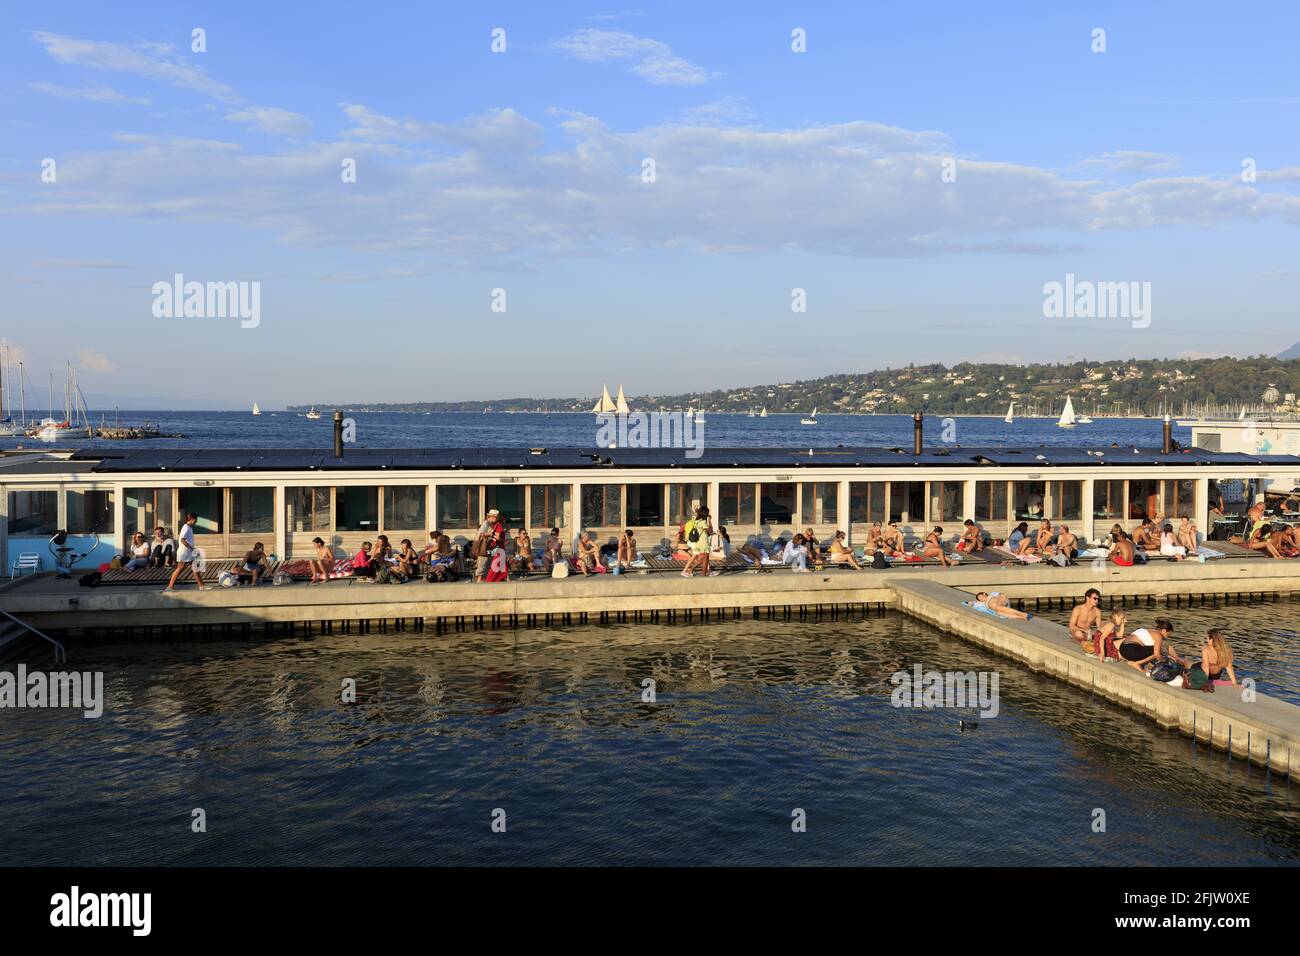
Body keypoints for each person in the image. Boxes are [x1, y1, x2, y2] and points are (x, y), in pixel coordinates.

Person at [1118, 618, 1183, 672]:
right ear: (1164, 631)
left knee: (1155, 650)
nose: (1167, 636)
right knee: (1157, 651)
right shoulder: (1158, 636)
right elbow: (1157, 655)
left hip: (1122, 648)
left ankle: (1132, 661)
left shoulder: (1149, 631)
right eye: (1168, 634)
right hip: (1130, 650)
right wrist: (1165, 661)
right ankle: (1136, 663)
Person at [165, 513, 205, 591]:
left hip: (188, 552)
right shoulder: (186, 527)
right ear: (192, 519)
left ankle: (202, 586)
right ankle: (170, 586)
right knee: (180, 568)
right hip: (184, 552)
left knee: (195, 568)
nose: (196, 522)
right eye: (196, 520)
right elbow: (182, 539)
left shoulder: (189, 527)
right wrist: (191, 548)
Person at [683, 506, 716, 577]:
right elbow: (710, 531)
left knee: (703, 558)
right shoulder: (703, 522)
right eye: (707, 513)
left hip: (699, 542)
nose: (708, 514)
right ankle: (703, 574)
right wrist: (709, 522)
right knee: (705, 559)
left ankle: (693, 569)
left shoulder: (697, 521)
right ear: (705, 513)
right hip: (704, 542)